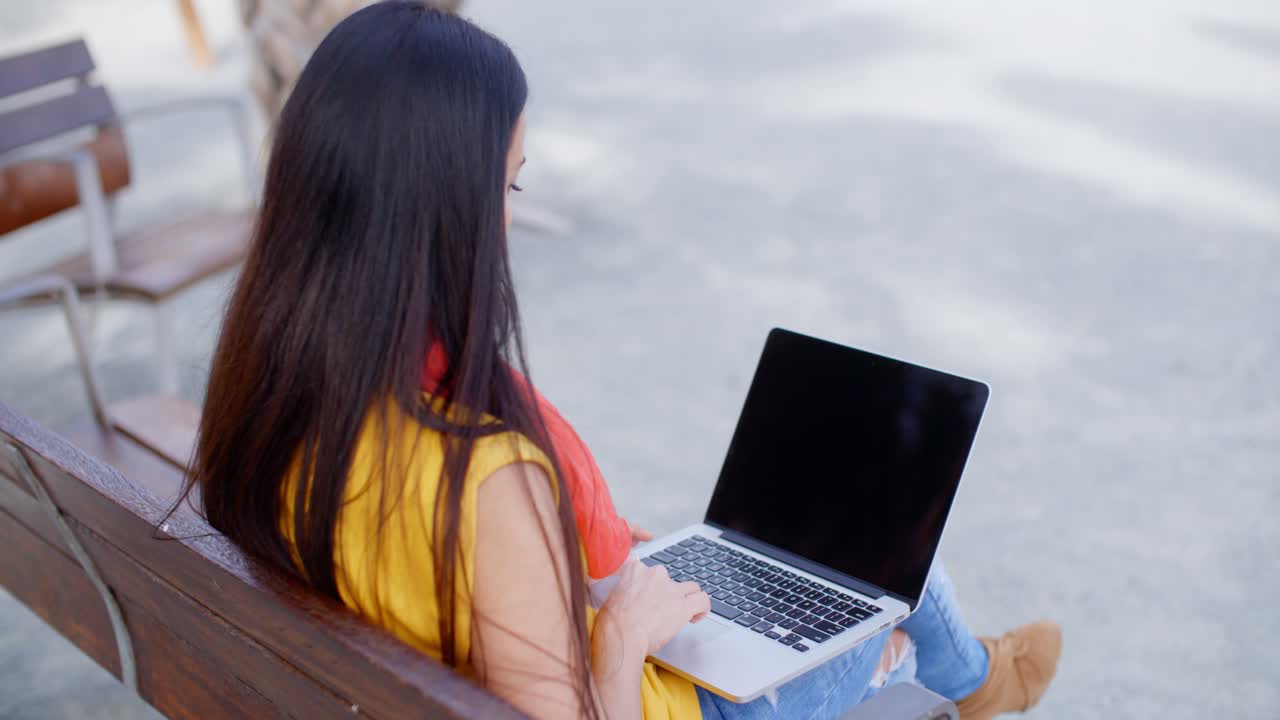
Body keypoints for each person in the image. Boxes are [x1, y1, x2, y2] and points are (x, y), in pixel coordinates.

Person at [190, 3, 1062, 719]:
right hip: (671, 706)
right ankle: (970, 676)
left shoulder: (273, 392)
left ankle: (961, 670)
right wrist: (619, 638)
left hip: (496, 653)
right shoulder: (489, 481)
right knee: (874, 570)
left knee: (821, 570)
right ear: (443, 210)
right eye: (508, 184)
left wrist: (567, 574)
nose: (503, 219)